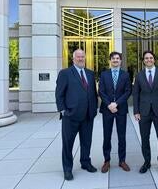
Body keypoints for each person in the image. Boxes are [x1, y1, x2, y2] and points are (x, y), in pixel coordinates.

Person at [55, 49, 98, 181]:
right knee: (68, 144)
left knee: (86, 142)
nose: (80, 59)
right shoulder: (65, 73)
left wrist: (94, 109)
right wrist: (63, 111)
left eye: (82, 57)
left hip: (88, 116)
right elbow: (59, 94)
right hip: (71, 116)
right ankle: (67, 169)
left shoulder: (90, 74)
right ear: (73, 59)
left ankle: (85, 162)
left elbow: (93, 93)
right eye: (78, 57)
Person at [133, 51, 158, 175]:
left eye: (151, 58)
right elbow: (136, 94)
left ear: (154, 60)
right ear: (143, 61)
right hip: (143, 112)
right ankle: (147, 162)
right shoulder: (139, 75)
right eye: (146, 58)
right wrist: (136, 111)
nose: (148, 60)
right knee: (145, 138)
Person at [99, 51, 132, 173]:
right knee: (106, 136)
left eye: (117, 58)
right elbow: (101, 91)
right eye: (113, 58)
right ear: (110, 61)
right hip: (107, 110)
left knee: (121, 136)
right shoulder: (104, 74)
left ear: (121, 61)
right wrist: (109, 104)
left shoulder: (125, 75)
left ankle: (122, 160)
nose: (115, 60)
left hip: (120, 109)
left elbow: (128, 91)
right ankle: (106, 161)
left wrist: (116, 103)